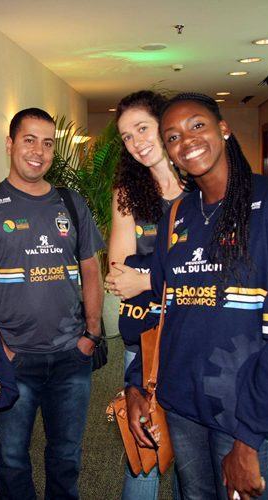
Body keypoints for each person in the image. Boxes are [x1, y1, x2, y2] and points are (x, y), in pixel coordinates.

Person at [122, 93, 268, 500]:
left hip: (243, 412)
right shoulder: (177, 216)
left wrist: (249, 439)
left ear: (224, 129)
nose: (188, 140)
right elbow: (159, 311)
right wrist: (135, 387)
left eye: (198, 125)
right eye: (174, 136)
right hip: (181, 405)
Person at [0, 108, 105, 499]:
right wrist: (1, 347)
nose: (39, 151)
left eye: (48, 143)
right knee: (13, 458)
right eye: (29, 140)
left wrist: (91, 333)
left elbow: (91, 270)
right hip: (15, 360)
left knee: (66, 455)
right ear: (10, 144)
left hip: (71, 356)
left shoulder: (71, 203)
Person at [104, 90, 185, 499]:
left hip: (196, 337)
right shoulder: (127, 194)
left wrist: (149, 278)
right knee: (144, 452)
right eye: (126, 136)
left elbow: (216, 277)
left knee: (195, 453)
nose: (136, 142)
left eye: (142, 128)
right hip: (146, 341)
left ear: (165, 125)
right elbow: (119, 275)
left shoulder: (203, 187)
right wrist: (170, 279)